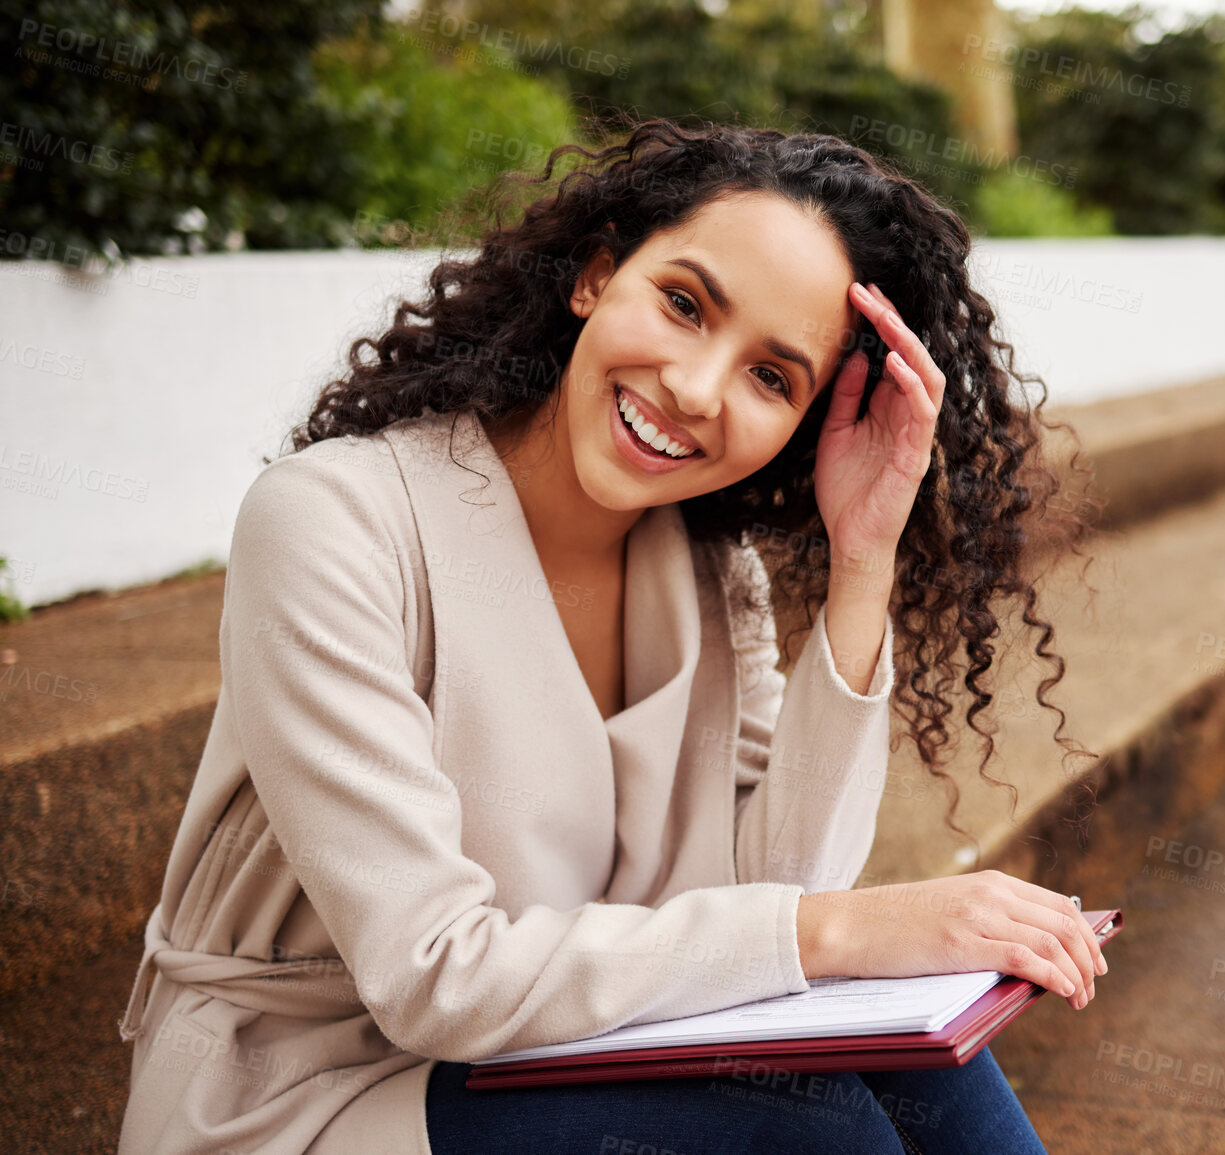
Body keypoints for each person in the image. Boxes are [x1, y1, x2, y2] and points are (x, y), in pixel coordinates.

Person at [116, 118, 1103, 1155]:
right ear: (594, 275)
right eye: (684, 305)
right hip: (310, 1086)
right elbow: (433, 976)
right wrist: (844, 933)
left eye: (773, 377)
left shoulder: (712, 577)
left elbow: (785, 892)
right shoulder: (334, 521)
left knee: (919, 1058)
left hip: (560, 1048)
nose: (695, 387)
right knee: (814, 1127)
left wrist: (865, 560)